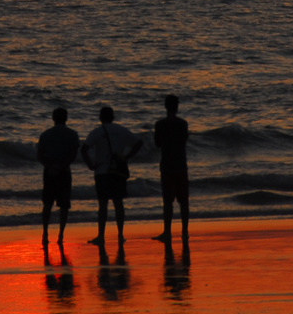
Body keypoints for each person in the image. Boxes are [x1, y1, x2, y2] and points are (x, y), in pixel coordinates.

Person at [81, 105, 141, 245]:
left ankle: (101, 236)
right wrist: (126, 157)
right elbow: (139, 143)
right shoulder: (121, 130)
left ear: (100, 118)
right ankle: (120, 235)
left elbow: (84, 149)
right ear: (113, 117)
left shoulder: (96, 132)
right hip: (117, 172)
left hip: (102, 172)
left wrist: (90, 165)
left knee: (103, 205)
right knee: (118, 204)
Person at [36, 107, 81, 245]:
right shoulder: (72, 134)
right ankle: (61, 235)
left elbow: (40, 156)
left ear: (53, 118)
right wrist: (61, 166)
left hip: (49, 172)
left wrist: (50, 167)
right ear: (66, 118)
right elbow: (73, 155)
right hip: (64, 171)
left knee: (47, 203)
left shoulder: (45, 135)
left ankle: (45, 233)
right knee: (64, 205)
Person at [151, 93, 190, 242]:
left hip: (167, 164)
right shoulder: (183, 123)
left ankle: (167, 232)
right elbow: (184, 141)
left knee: (168, 201)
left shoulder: (160, 124)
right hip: (180, 163)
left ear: (165, 107)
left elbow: (157, 144)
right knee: (183, 201)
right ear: (177, 107)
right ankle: (184, 232)